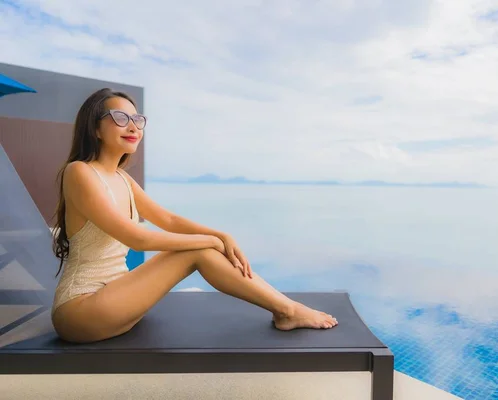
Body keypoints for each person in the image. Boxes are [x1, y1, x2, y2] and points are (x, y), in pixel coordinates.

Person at [50, 88, 338, 343]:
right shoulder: (80, 172)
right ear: (95, 128)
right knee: (197, 251)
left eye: (138, 120)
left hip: (116, 300)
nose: (133, 126)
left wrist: (220, 235)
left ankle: (286, 307)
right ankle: (287, 311)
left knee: (203, 246)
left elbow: (169, 221)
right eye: (120, 118)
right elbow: (135, 238)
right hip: (81, 311)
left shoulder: (122, 180)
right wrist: (208, 242)